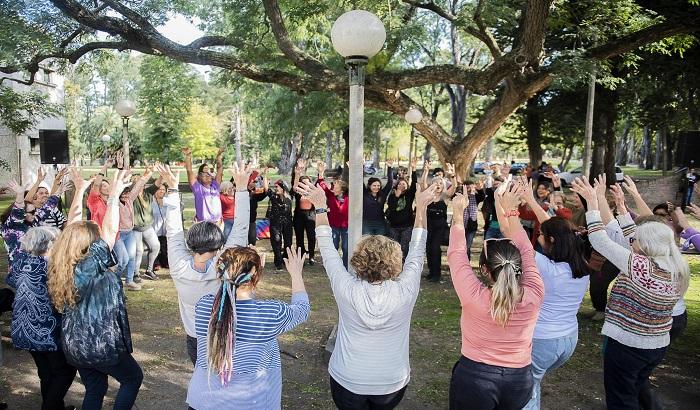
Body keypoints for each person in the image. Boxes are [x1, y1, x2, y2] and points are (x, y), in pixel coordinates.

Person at [299, 177, 437, 410]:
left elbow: (325, 245)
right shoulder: (406, 289)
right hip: (391, 382)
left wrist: (321, 206)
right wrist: (421, 207)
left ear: (359, 261)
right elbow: (417, 247)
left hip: (347, 379)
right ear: (394, 262)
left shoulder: (346, 288)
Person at [570, 176, 689, 410]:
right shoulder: (673, 265)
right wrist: (622, 208)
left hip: (630, 346)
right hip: (656, 345)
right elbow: (633, 235)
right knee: (634, 388)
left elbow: (600, 239)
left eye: (637, 242)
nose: (632, 242)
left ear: (646, 247)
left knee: (621, 399)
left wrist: (593, 204)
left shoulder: (640, 267)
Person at [48, 167, 143, 410]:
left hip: (74, 344)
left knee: (96, 388)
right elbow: (110, 231)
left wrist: (80, 191)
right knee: (132, 378)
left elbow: (71, 228)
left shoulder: (62, 264)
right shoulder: (92, 263)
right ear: (92, 244)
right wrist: (113, 197)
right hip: (99, 343)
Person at [447, 177, 544, 410]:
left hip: (475, 377)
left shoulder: (473, 297)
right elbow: (527, 249)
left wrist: (457, 213)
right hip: (519, 380)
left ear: (484, 270)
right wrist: (512, 211)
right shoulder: (535, 293)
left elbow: (457, 253)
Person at [186, 244, 310, 410]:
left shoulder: (204, 306)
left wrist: (250, 273)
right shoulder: (272, 314)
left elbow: (229, 301)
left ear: (221, 273)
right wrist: (296, 274)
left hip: (202, 402)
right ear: (255, 278)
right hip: (251, 404)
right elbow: (302, 309)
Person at [159, 162, 253, 365]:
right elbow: (241, 228)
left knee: (202, 378)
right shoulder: (224, 264)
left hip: (195, 338)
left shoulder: (178, 266)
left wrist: (173, 189)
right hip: (223, 334)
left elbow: (174, 230)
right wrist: (243, 189)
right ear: (219, 243)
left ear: (191, 243)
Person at [517, 198, 590, 410]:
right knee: (534, 381)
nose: (537, 238)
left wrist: (508, 207)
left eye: (540, 235)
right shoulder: (580, 264)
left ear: (551, 239)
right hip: (568, 339)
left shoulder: (547, 268)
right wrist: (530, 197)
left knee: (526, 388)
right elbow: (558, 230)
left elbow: (517, 236)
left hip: (544, 340)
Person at [6, 225, 77, 410]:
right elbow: (66, 295)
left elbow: (12, 280)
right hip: (46, 330)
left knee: (46, 372)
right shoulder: (53, 267)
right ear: (51, 244)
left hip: (23, 327)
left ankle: (55, 406)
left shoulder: (20, 262)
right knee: (64, 372)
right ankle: (50, 406)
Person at [115, 168, 152, 291]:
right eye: (123, 194)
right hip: (118, 234)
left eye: (127, 193)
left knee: (132, 257)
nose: (126, 196)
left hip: (129, 232)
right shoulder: (115, 203)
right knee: (122, 260)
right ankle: (116, 281)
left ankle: (129, 281)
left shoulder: (130, 199)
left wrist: (146, 175)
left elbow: (137, 188)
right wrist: (121, 173)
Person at [421, 161, 456, 282]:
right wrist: (426, 172)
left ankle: (437, 274)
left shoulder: (444, 196)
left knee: (435, 248)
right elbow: (423, 184)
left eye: (440, 183)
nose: (438, 185)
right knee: (429, 248)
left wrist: (452, 176)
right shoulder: (428, 195)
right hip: (428, 224)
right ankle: (431, 272)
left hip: (440, 225)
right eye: (436, 183)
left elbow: (454, 188)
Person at [316, 161, 350, 268]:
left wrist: (353, 169)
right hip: (334, 226)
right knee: (334, 246)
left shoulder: (349, 197)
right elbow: (321, 184)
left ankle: (345, 266)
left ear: (341, 189)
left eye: (335, 186)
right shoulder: (330, 195)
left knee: (346, 247)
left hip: (346, 227)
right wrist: (321, 172)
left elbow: (357, 183)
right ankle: (333, 266)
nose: (333, 187)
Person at [131, 169, 162, 281]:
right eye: (136, 181)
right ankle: (135, 273)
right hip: (135, 228)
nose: (139, 184)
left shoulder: (148, 192)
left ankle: (149, 270)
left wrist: (162, 174)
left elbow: (158, 183)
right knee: (138, 251)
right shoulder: (131, 195)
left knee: (155, 246)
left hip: (148, 227)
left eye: (140, 182)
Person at [386, 158, 418, 260]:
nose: (402, 185)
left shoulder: (409, 195)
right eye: (400, 184)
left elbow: (414, 184)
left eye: (404, 184)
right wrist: (396, 196)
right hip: (394, 226)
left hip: (406, 226)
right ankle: (393, 266)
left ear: (407, 186)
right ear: (396, 186)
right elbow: (392, 208)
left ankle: (403, 266)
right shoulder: (392, 196)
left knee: (404, 248)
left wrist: (414, 169)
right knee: (394, 248)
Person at [2, 180, 38, 267]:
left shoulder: (31, 223)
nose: (35, 213)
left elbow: (48, 207)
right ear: (23, 214)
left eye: (35, 211)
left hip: (35, 269)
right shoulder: (11, 227)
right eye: (32, 212)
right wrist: (20, 195)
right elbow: (17, 213)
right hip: (19, 272)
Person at [184, 146, 225, 223]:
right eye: (204, 175)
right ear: (199, 178)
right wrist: (188, 156)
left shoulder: (215, 186)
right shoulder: (198, 188)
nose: (207, 175)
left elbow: (220, 169)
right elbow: (189, 170)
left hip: (217, 222)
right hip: (203, 224)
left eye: (208, 174)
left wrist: (219, 156)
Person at [263, 170, 293, 271]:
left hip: (288, 223)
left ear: (283, 188)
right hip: (275, 223)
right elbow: (266, 189)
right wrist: (265, 175)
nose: (276, 188)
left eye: (277, 187)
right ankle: (278, 263)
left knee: (288, 243)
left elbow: (295, 184)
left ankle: (285, 259)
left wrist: (297, 173)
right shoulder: (273, 197)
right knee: (276, 241)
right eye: (275, 187)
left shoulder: (289, 197)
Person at [292, 159, 317, 265]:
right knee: (299, 237)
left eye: (307, 182)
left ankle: (311, 256)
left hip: (310, 216)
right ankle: (301, 255)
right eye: (303, 183)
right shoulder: (298, 192)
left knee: (311, 236)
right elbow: (294, 187)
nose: (305, 184)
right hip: (299, 216)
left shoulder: (313, 192)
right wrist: (298, 173)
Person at [363, 159, 394, 235]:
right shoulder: (365, 193)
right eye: (374, 185)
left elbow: (390, 183)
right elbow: (360, 180)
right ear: (369, 186)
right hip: (367, 223)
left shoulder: (382, 194)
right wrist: (362, 166)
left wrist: (389, 168)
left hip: (380, 223)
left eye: (378, 186)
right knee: (368, 242)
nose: (376, 187)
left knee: (380, 243)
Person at [462, 178, 485, 260]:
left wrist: (480, 189)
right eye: (467, 188)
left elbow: (482, 197)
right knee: (461, 247)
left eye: (470, 188)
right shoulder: (460, 197)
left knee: (467, 246)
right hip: (461, 225)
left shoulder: (475, 197)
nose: (469, 190)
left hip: (472, 226)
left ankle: (466, 263)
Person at [245, 170, 268, 246]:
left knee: (252, 240)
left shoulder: (255, 193)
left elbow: (265, 192)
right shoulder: (240, 192)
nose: (254, 184)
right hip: (240, 221)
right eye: (253, 182)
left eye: (255, 182)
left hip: (251, 220)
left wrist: (265, 177)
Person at [151, 183, 170, 270]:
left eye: (163, 189)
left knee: (164, 246)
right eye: (159, 189)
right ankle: (156, 263)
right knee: (155, 247)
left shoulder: (167, 200)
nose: (161, 191)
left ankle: (165, 262)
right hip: (154, 229)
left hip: (165, 229)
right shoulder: (151, 201)